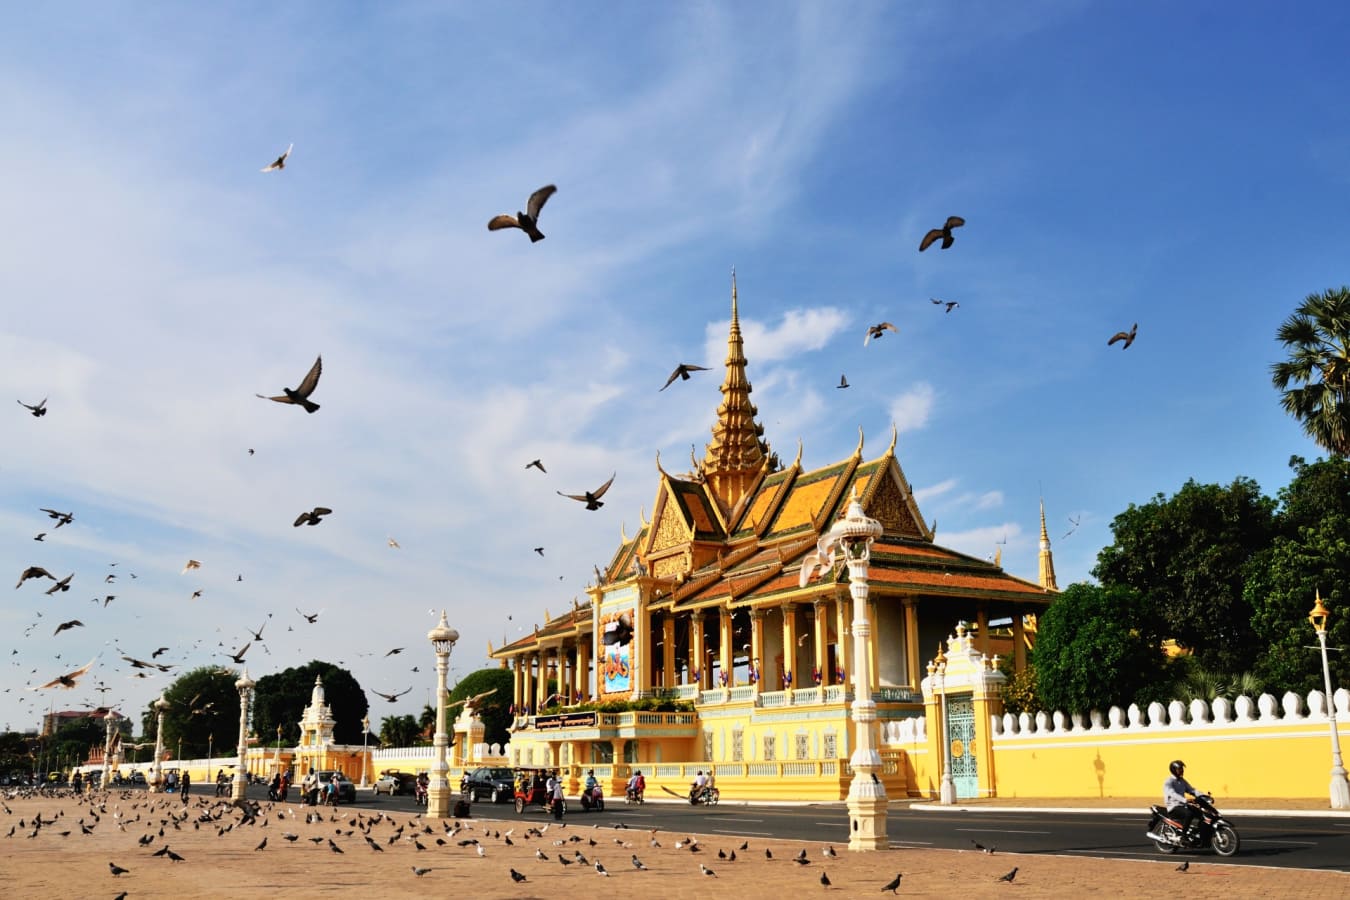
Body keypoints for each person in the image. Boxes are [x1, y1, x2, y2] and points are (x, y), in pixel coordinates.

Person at [1163, 760, 1200, 841]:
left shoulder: (1182, 780)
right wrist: (1185, 800)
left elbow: (1191, 790)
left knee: (1200, 812)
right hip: (1173, 807)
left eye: (1182, 769)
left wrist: (1202, 796)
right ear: (1173, 770)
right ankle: (1184, 835)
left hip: (1183, 805)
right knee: (1189, 814)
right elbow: (1173, 794)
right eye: (1179, 769)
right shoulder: (1168, 782)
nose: (1182, 770)